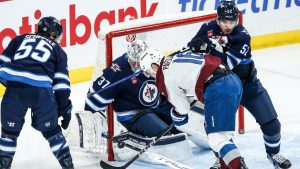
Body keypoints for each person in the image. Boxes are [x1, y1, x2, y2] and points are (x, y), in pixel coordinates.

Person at [187, 1, 292, 169]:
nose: (228, 26)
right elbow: (191, 47)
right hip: (222, 88)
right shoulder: (207, 27)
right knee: (217, 130)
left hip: (248, 86)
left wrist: (209, 47)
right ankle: (222, 159)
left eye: (232, 22)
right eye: (224, 22)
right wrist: (197, 45)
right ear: (217, 19)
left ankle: (273, 153)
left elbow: (226, 63)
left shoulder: (243, 36)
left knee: (272, 123)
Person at [139, 45, 248, 169]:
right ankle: (225, 166)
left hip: (218, 87)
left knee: (216, 139)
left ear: (154, 67)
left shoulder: (164, 76)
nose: (151, 76)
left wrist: (176, 116)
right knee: (214, 130)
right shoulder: (174, 56)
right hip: (232, 80)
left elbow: (183, 109)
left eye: (149, 72)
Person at [0, 16, 74, 169]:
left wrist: (14, 83)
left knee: (9, 133)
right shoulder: (58, 50)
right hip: (42, 93)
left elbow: (1, 66)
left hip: (15, 90)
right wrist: (65, 108)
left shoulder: (19, 39)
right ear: (55, 34)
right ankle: (68, 166)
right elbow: (62, 87)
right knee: (53, 132)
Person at [84, 40, 179, 138]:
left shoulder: (153, 59)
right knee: (163, 134)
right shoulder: (118, 70)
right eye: (132, 62)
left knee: (182, 124)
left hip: (157, 103)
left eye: (138, 63)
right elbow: (94, 99)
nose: (134, 66)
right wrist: (91, 119)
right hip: (134, 113)